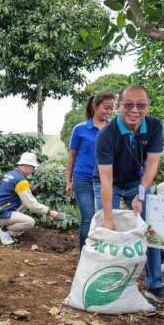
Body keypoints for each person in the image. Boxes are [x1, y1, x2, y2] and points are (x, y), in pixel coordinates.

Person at [95, 84, 164, 303]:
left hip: (138, 182)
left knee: (149, 229)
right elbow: (106, 180)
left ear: (148, 107)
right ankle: (105, 279)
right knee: (108, 229)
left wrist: (141, 193)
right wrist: (108, 218)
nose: (134, 110)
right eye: (128, 105)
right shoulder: (107, 134)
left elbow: (152, 164)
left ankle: (154, 284)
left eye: (141, 105)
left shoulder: (154, 126)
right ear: (119, 106)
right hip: (112, 183)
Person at [66, 92, 116, 250]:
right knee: (88, 217)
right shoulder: (79, 129)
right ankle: (84, 254)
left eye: (111, 109)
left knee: (104, 217)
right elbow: (72, 156)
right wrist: (68, 181)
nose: (108, 112)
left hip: (105, 181)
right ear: (96, 106)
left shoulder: (113, 130)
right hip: (83, 178)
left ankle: (101, 253)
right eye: (106, 108)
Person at [0, 152, 63, 245]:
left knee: (25, 201)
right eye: (33, 167)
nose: (33, 170)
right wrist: (49, 212)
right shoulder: (21, 181)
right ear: (27, 165)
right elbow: (31, 204)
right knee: (30, 222)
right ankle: (5, 231)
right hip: (1, 215)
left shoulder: (12, 174)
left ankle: (8, 227)